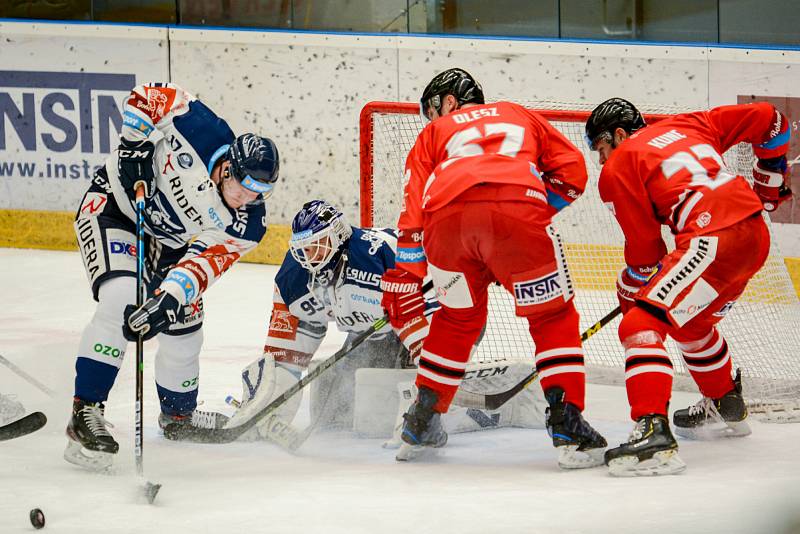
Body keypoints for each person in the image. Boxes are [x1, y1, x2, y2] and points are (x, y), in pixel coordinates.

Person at [379, 68, 607, 466]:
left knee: (456, 320)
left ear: (449, 102)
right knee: (552, 315)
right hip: (518, 215)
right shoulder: (517, 113)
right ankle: (568, 427)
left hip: (446, 228)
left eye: (434, 108)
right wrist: (524, 218)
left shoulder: (433, 134)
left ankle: (421, 421)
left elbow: (412, 205)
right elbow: (573, 172)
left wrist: (406, 275)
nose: (434, 116)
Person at [65, 82, 279, 470]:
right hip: (113, 210)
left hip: (169, 244)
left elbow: (204, 262)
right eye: (245, 187)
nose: (248, 198)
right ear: (229, 166)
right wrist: (135, 144)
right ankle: (86, 411)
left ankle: (178, 416)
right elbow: (150, 93)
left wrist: (168, 299)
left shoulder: (248, 223)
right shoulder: (201, 126)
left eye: (260, 192)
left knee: (185, 328)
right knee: (121, 299)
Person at [585, 97, 793, 476]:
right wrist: (771, 174)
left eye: (600, 148)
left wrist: (630, 291)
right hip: (753, 237)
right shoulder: (691, 124)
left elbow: (646, 256)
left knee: (640, 325)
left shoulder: (619, 165)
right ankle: (723, 399)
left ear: (618, 135)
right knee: (691, 324)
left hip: (711, 239)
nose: (601, 160)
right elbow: (773, 120)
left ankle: (653, 433)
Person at [225, 200, 545, 443]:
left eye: (316, 245)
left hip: (449, 315)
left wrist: (426, 370)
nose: (308, 255)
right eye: (303, 247)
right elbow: (289, 354)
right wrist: (268, 401)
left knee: (388, 406)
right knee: (334, 404)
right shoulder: (297, 276)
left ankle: (497, 409)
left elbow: (440, 304)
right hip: (382, 332)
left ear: (337, 236)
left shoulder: (375, 259)